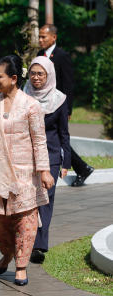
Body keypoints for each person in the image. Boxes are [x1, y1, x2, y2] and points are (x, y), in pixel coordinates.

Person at [0, 55, 54, 286]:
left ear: (13, 79)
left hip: (25, 174)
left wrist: (44, 170)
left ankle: (21, 266)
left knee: (26, 220)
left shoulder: (30, 105)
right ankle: (8, 253)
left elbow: (39, 140)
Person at [23, 56, 71, 264]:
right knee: (28, 200)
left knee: (45, 198)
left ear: (49, 75)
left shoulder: (59, 99)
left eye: (40, 74)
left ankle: (39, 244)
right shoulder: (22, 96)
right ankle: (26, 239)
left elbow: (64, 133)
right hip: (25, 155)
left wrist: (66, 161)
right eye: (33, 73)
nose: (36, 78)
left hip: (50, 156)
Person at [37, 24, 94, 186]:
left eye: (44, 37)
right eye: (39, 37)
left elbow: (68, 83)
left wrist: (68, 108)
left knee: (61, 138)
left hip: (59, 105)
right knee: (55, 138)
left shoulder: (62, 56)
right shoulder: (40, 54)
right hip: (44, 105)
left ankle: (81, 168)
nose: (40, 40)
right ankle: (83, 167)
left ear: (53, 37)